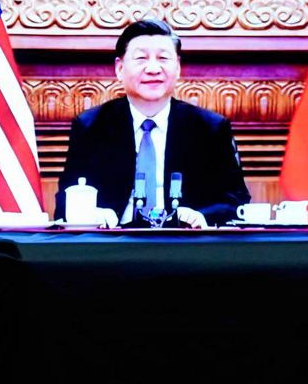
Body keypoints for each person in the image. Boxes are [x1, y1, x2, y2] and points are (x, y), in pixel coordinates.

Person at [55, 18, 250, 228]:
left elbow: (236, 200)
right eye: (141, 58)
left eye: (163, 58)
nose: (153, 68)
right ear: (119, 68)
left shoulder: (210, 128)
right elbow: (66, 200)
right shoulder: (91, 126)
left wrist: (202, 217)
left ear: (178, 68)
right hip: (113, 245)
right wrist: (94, 214)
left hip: (186, 245)